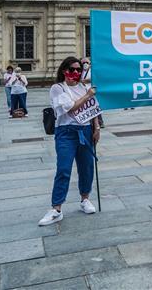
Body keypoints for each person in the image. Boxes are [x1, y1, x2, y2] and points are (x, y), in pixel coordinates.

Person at [38, 57, 100, 226]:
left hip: (85, 131)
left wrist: (96, 128)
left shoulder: (84, 86)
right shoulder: (57, 88)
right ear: (64, 70)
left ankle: (85, 199)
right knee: (64, 169)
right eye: (72, 69)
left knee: (86, 167)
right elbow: (68, 107)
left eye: (78, 70)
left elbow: (93, 109)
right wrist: (87, 96)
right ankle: (56, 208)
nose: (75, 73)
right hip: (65, 132)